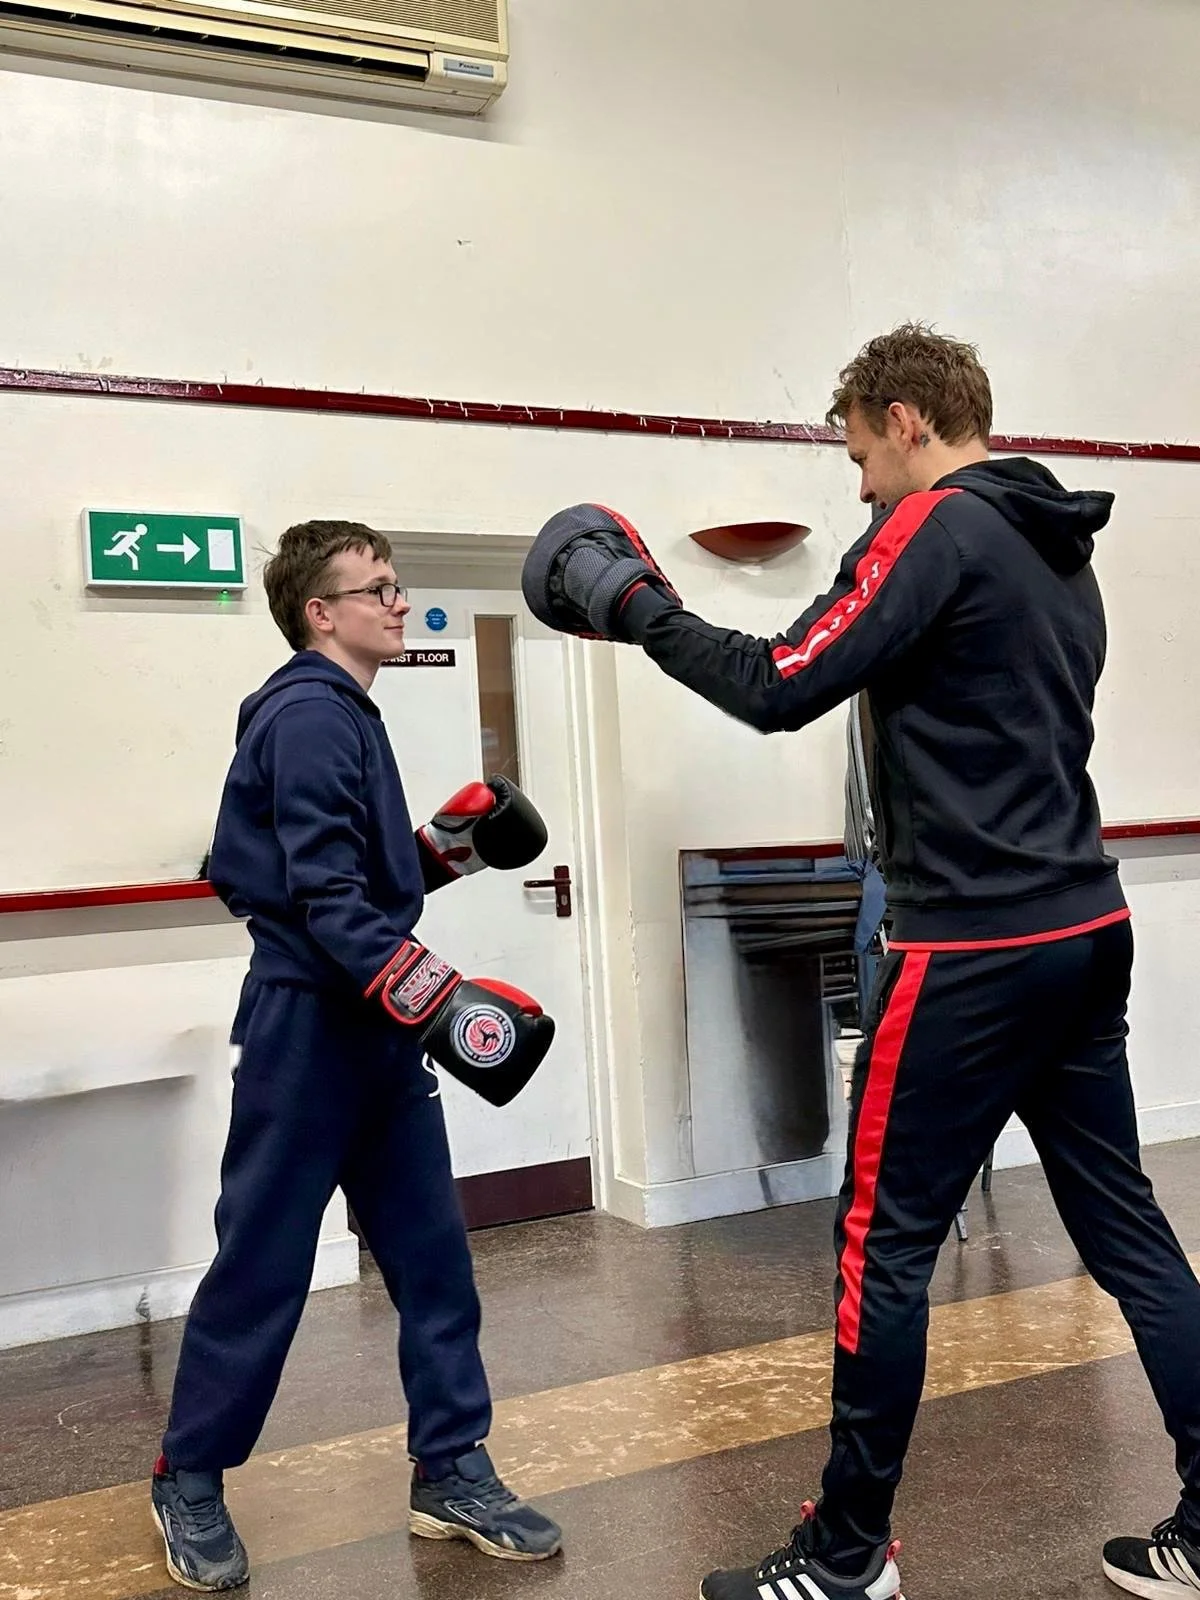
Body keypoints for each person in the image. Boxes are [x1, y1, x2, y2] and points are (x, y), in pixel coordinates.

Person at [522, 325, 1200, 1599]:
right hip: (1081, 925)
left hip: (971, 948)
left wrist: (641, 610)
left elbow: (785, 678)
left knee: (878, 1247)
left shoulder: (938, 525)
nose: (860, 489)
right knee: (1130, 1234)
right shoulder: (1060, 550)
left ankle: (845, 1559)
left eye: (859, 460)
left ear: (905, 420)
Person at [152, 520, 564, 1592]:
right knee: (265, 1268)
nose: (396, 599)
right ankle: (188, 1473)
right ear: (317, 612)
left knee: (432, 1261)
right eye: (372, 588)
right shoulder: (307, 716)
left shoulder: (347, 717)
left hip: (372, 1033)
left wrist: (449, 847)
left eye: (396, 582)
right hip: (307, 1030)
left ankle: (450, 1466)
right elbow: (328, 907)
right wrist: (440, 998)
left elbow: (362, 884)